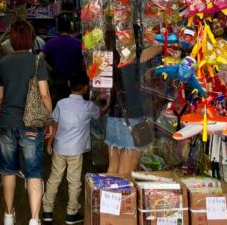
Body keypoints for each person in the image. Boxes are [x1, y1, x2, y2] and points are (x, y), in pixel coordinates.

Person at [0, 20, 53, 225]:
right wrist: (50, 120)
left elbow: (1, 99)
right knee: (34, 172)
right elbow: (44, 94)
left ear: (12, 39)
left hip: (7, 122)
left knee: (8, 170)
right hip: (32, 123)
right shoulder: (37, 62)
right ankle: (34, 219)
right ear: (30, 38)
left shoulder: (2, 62)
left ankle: (9, 215)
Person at [42, 70, 101, 225]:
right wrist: (106, 103)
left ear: (69, 85)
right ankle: (71, 214)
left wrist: (49, 143)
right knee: (74, 182)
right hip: (75, 151)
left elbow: (54, 125)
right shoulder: (88, 106)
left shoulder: (61, 104)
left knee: (54, 178)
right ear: (86, 88)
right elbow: (99, 114)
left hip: (59, 147)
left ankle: (47, 211)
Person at [105, 44, 161, 175]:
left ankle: (107, 194)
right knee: (125, 173)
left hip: (114, 118)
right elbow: (159, 46)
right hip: (131, 120)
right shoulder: (131, 56)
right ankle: (121, 195)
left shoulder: (110, 57)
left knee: (113, 168)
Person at [41, 17, 83, 105]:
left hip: (57, 80)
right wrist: (79, 67)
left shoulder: (51, 42)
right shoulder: (78, 43)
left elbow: (39, 57)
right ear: (70, 27)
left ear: (57, 28)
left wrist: (50, 69)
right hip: (74, 82)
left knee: (58, 104)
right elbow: (85, 59)